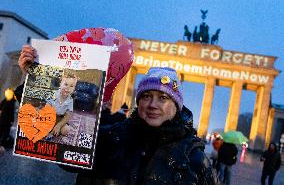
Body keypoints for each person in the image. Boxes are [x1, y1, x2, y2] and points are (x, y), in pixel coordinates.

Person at [18, 46, 220, 184]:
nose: (152, 105)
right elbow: (63, 148)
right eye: (147, 96)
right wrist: (37, 79)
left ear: (177, 106)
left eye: (163, 98)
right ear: (138, 101)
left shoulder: (196, 160)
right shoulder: (112, 138)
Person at [47, 71, 77, 137]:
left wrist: (59, 125)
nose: (68, 88)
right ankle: (51, 129)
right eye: (66, 84)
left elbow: (67, 116)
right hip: (49, 117)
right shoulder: (53, 94)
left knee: (66, 130)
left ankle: (55, 129)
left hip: (60, 119)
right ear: (60, 84)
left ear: (74, 88)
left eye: (71, 86)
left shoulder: (70, 100)